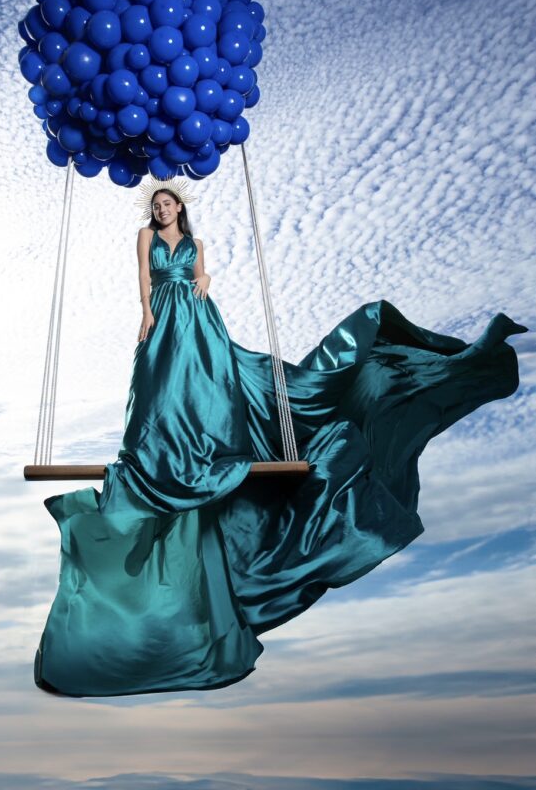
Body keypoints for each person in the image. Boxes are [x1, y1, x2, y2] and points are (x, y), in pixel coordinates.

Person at [34, 175, 528, 698]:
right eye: (156, 204)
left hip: (199, 317)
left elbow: (201, 276)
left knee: (210, 378)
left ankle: (204, 440)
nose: (161, 209)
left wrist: (204, 280)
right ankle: (164, 450)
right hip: (164, 313)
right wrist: (147, 313)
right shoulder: (146, 238)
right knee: (158, 380)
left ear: (179, 206)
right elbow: (143, 276)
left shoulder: (195, 243)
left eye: (167, 202)